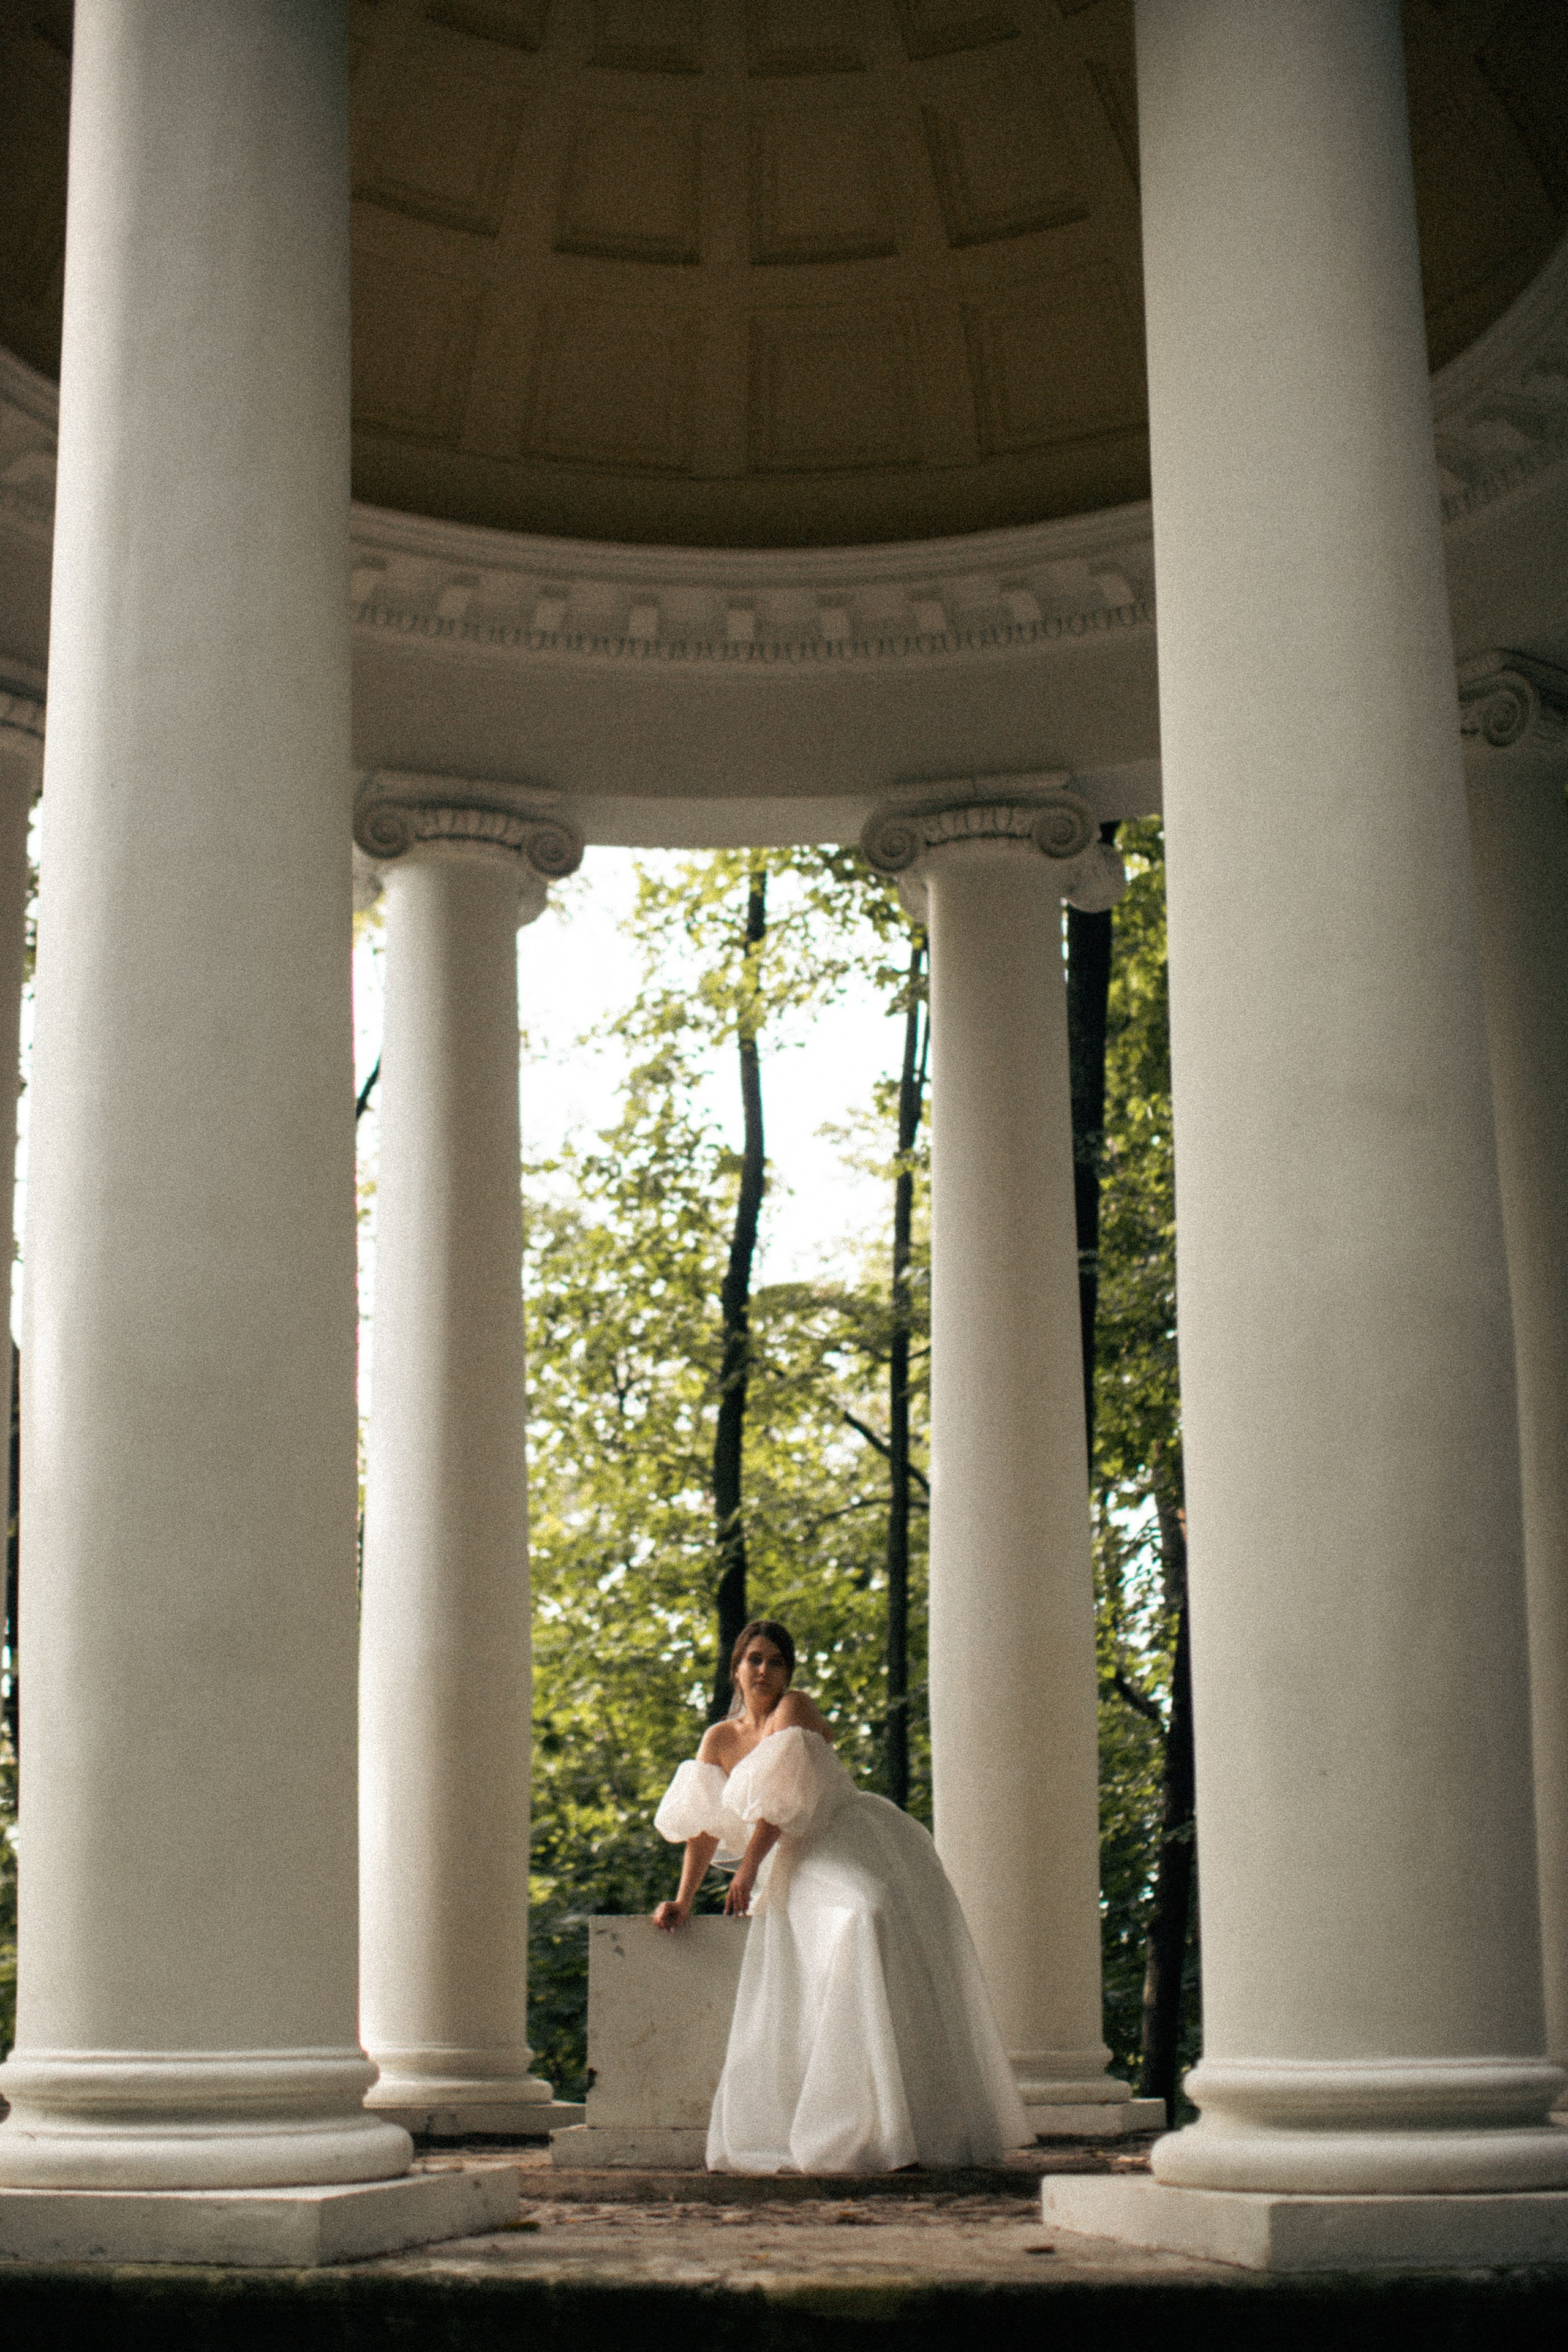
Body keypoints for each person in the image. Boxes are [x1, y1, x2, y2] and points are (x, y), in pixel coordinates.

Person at [652, 1617, 1033, 2174]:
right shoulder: (719, 1739)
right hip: (785, 1861)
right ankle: (844, 2116)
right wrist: (683, 1900)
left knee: (867, 1910)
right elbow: (704, 1828)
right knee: (838, 1936)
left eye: (775, 1661)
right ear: (736, 1668)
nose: (763, 1670)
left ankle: (902, 2120)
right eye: (753, 1659)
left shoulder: (795, 1710)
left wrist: (748, 1870)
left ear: (788, 1673)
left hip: (838, 1837)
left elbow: (782, 1804)